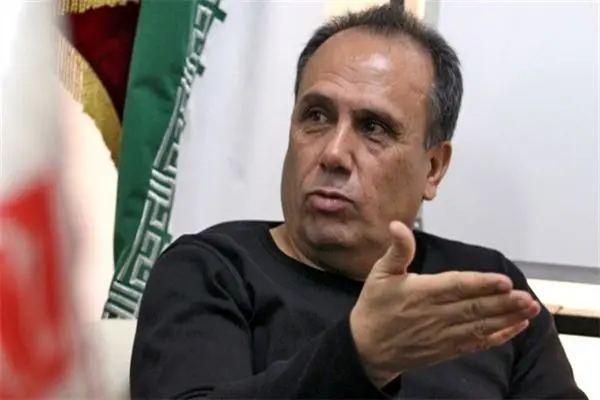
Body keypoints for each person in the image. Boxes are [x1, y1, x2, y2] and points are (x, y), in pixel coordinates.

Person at [129, 4, 586, 399]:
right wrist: (359, 356)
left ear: (433, 168)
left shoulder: (483, 289)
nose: (333, 153)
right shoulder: (212, 269)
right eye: (316, 116)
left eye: (373, 128)